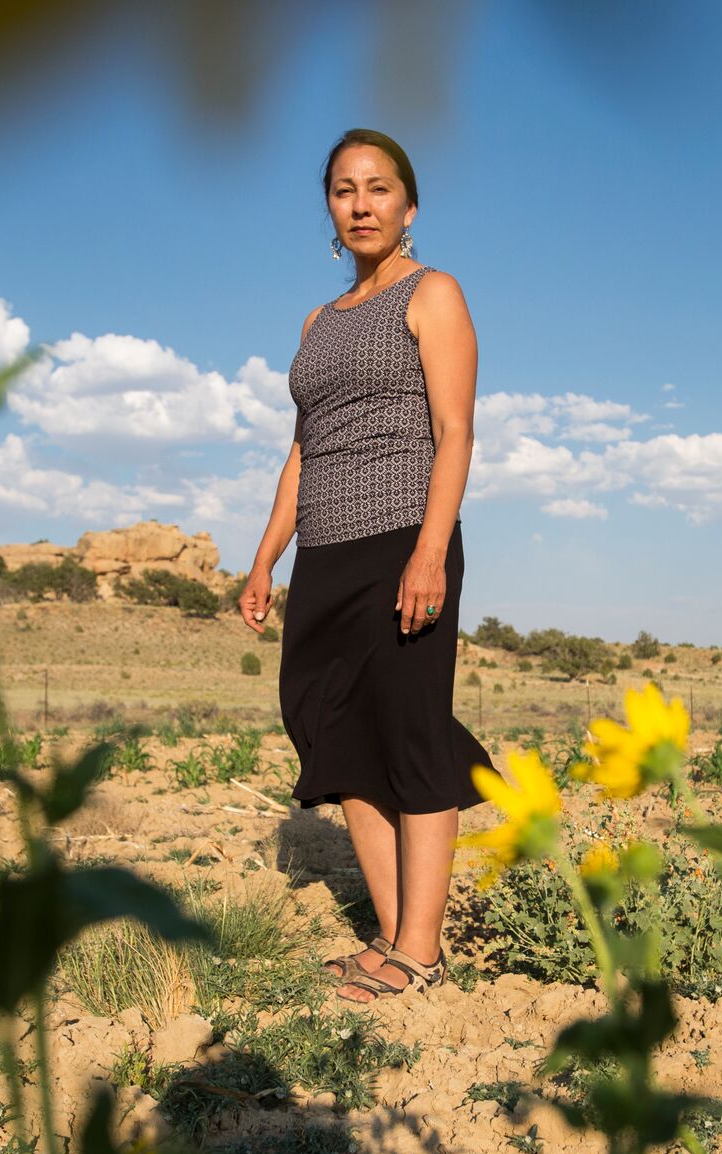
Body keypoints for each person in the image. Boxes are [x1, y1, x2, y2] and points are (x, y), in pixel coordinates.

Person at [237, 128, 498, 1005]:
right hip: (325, 554)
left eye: (378, 188)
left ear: (408, 206)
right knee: (330, 730)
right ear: (330, 210)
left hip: (401, 540)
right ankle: (391, 936)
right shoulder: (317, 323)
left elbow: (456, 432)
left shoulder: (433, 295)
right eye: (344, 190)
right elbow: (304, 452)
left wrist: (429, 551)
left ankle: (419, 953)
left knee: (410, 732)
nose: (360, 203)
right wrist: (265, 558)